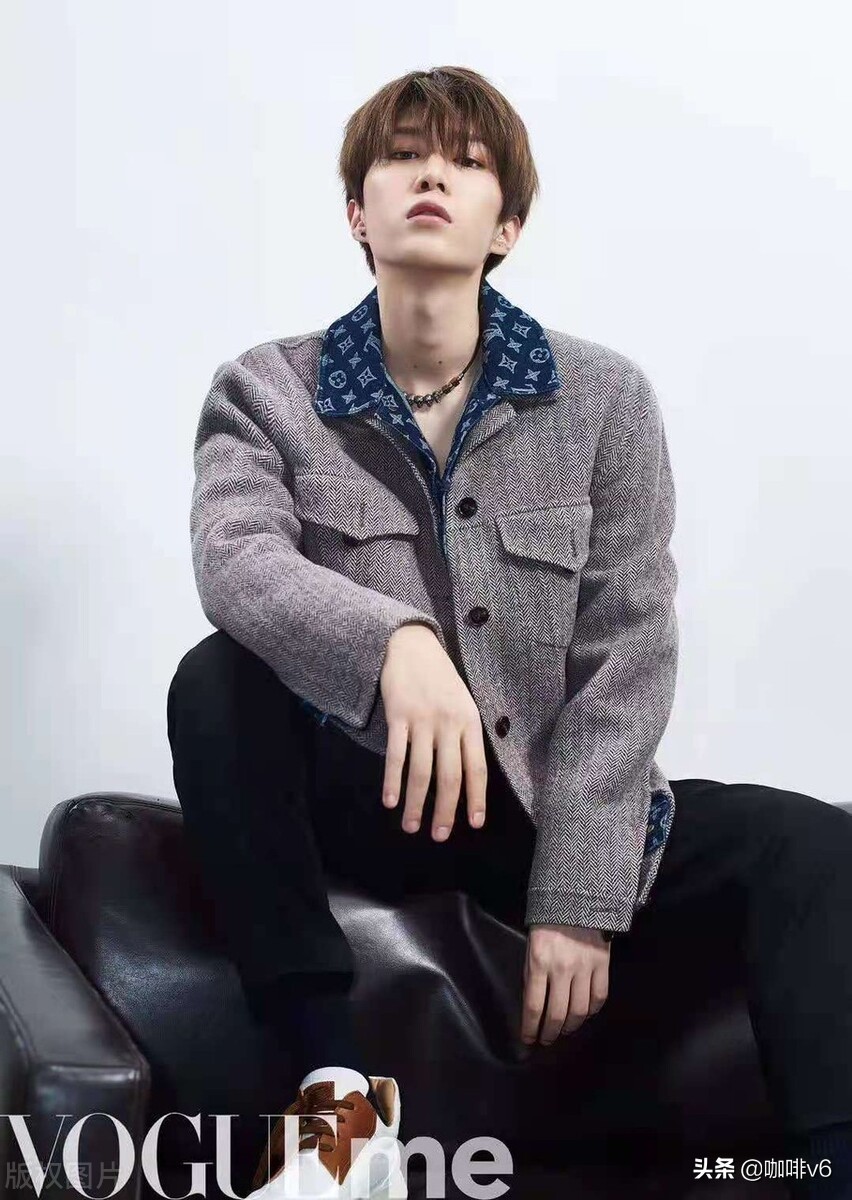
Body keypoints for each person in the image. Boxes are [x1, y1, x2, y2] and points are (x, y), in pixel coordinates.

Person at [166, 66, 852, 1199]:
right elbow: (236, 562)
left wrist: (580, 896)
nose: (431, 174)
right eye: (402, 156)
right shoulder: (265, 391)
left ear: (508, 227)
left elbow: (628, 654)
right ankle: (333, 1105)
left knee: (814, 846)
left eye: (468, 161)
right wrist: (393, 644)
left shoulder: (604, 399)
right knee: (215, 680)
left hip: (541, 808)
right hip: (371, 792)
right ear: (358, 212)